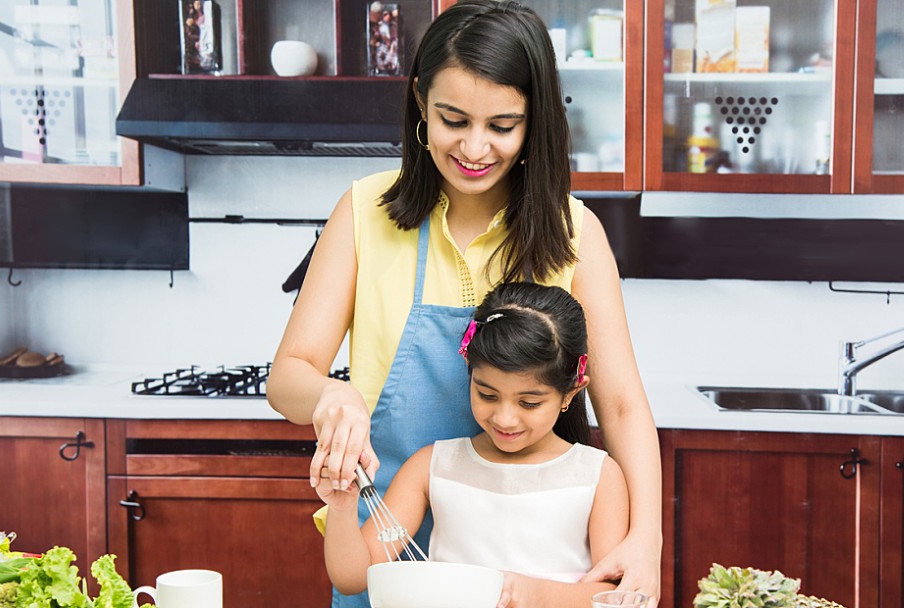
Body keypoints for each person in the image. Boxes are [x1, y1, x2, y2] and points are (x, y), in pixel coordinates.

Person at [267, 1, 661, 606]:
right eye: (454, 119)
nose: (475, 147)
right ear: (421, 103)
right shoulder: (364, 213)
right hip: (386, 553)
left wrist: (646, 540)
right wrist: (330, 393)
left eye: (502, 126)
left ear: (535, 125)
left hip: (525, 579)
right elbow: (287, 375)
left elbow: (624, 406)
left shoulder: (575, 233)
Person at [315, 282, 630, 608]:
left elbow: (612, 596)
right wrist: (341, 508)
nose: (505, 418)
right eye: (487, 395)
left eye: (529, 403)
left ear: (570, 393)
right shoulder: (432, 466)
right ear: (470, 372)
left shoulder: (597, 476)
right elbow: (353, 577)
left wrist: (531, 594)